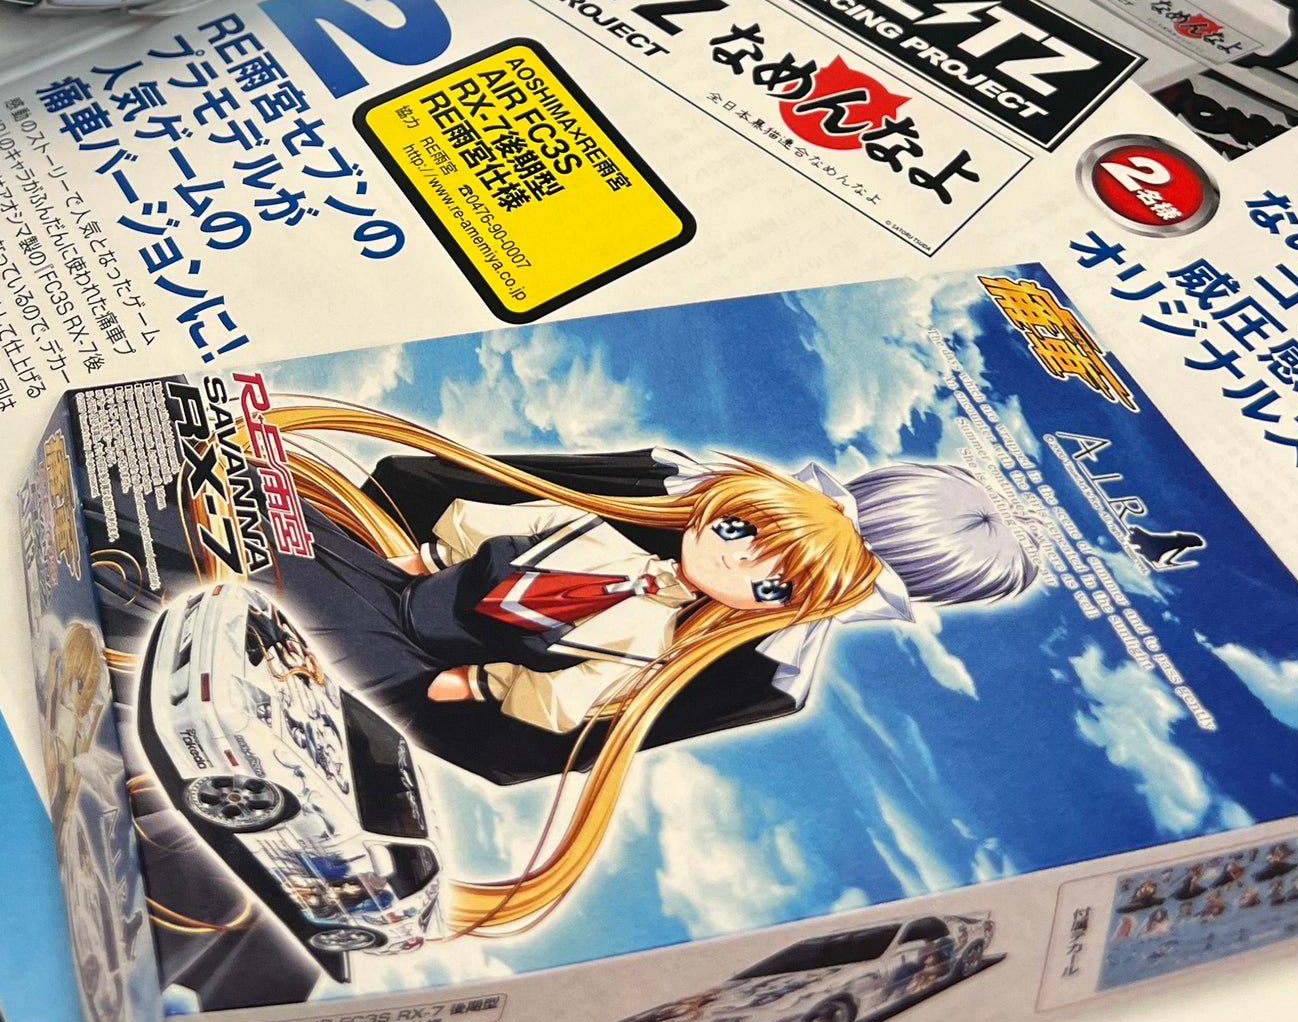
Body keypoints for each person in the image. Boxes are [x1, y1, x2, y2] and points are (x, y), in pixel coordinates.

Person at [260, 398, 1037, 936]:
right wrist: (415, 557)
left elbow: (536, 739)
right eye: (742, 531)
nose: (744, 558)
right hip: (395, 570)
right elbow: (467, 487)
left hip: (408, 669)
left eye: (779, 580)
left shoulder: (767, 667)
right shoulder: (686, 488)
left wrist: (456, 681)